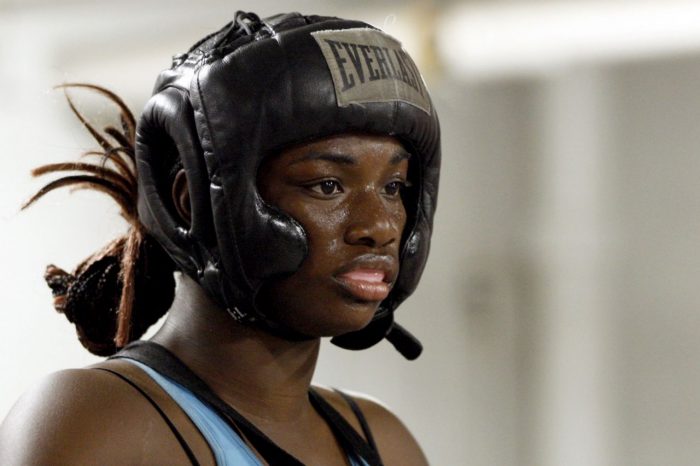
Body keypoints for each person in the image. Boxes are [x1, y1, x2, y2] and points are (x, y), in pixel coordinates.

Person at [0, 11, 440, 466]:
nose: (381, 226)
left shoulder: (386, 443)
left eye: (394, 187)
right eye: (327, 185)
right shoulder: (100, 423)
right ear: (194, 204)